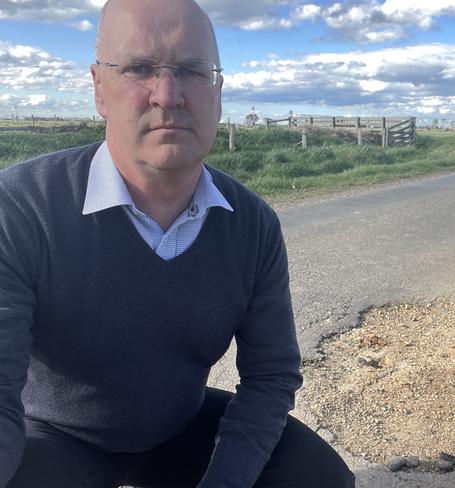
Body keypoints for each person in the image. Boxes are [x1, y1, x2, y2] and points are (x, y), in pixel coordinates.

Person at [0, 0, 355, 486]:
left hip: (181, 428)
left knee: (318, 478)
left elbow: (270, 377)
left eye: (191, 70)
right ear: (99, 88)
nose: (168, 95)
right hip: (54, 436)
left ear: (218, 91)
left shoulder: (251, 225)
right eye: (139, 68)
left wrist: (225, 480)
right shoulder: (22, 208)